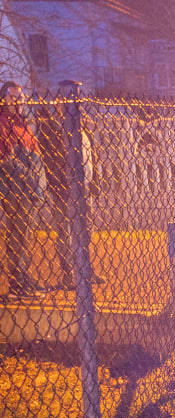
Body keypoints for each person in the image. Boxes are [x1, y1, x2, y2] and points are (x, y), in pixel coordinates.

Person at [40, 79, 100, 290]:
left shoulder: (83, 129)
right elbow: (49, 161)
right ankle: (69, 275)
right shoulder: (54, 130)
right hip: (64, 190)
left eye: (77, 100)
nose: (75, 105)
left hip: (84, 188)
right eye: (69, 100)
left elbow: (92, 158)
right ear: (59, 104)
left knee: (86, 230)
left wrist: (94, 183)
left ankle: (85, 269)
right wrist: (57, 187)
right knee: (66, 233)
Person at [0, 80, 47, 298]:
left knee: (23, 235)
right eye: (12, 97)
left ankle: (22, 275)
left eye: (20, 97)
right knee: (15, 235)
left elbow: (35, 155)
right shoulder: (2, 122)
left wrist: (36, 184)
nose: (17, 101)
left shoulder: (22, 123)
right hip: (10, 189)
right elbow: (6, 159)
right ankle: (17, 281)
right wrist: (26, 173)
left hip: (25, 189)